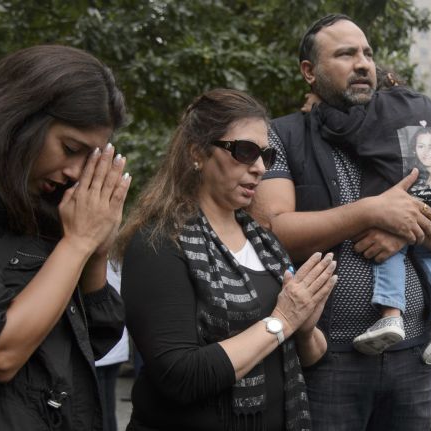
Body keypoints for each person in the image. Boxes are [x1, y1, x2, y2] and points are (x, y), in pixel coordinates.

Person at [250, 14, 431, 431]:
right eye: (345, 54)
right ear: (309, 72)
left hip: (414, 357)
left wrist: (402, 228)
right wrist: (370, 211)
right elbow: (272, 233)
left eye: (367, 54)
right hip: (326, 358)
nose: (363, 63)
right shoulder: (282, 136)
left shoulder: (406, 138)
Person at [115, 88, 336, 431]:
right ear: (197, 154)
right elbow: (180, 376)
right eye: (245, 151)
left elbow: (312, 355)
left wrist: (304, 329)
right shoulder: (159, 242)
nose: (260, 168)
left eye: (267, 156)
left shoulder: (266, 243)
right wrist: (280, 322)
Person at [0, 45, 129, 430]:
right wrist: (77, 243)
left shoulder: (44, 207)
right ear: (19, 118)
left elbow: (90, 342)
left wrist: (96, 251)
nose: (76, 172)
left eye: (89, 157)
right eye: (70, 148)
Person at [311, 72, 431, 362]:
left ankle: (390, 312)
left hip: (402, 196)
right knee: (423, 245)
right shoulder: (428, 105)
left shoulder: (380, 108)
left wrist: (320, 109)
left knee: (393, 240)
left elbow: (347, 129)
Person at [95, 262, 131, 431]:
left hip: (103, 348)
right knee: (108, 408)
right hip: (116, 343)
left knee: (101, 409)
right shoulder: (119, 259)